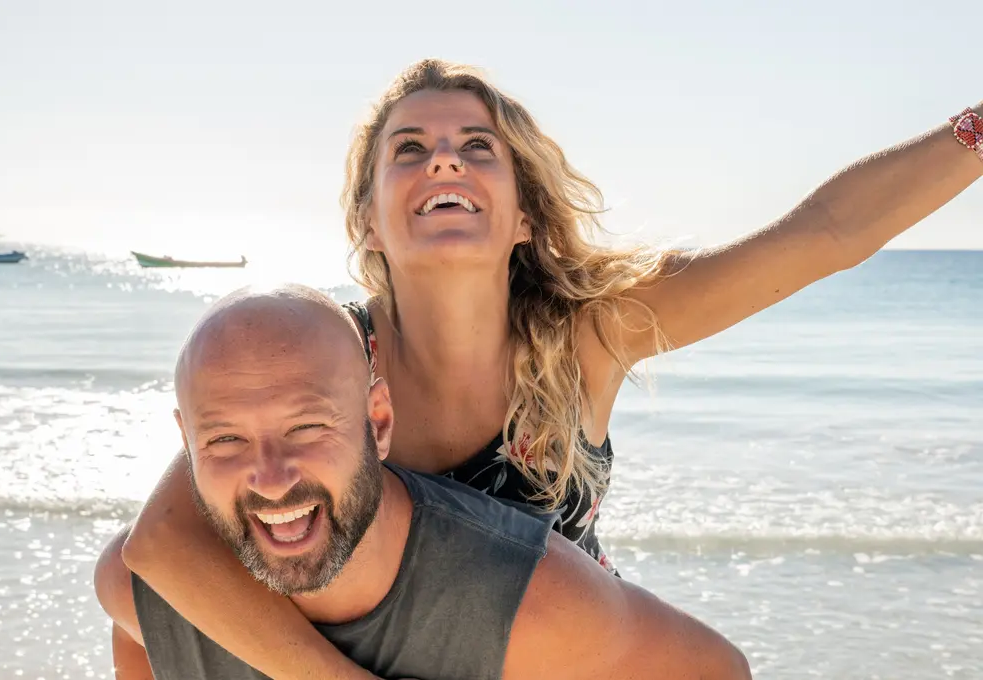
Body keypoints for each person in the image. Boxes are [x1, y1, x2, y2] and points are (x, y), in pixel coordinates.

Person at [109, 59, 983, 679]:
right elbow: (161, 542)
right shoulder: (326, 355)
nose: (442, 158)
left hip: (549, 654)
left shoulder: (591, 336)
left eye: (475, 146)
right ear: (368, 221)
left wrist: (975, 132)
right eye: (407, 149)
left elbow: (825, 234)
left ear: (523, 212)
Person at [94, 285, 751, 680]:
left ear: (378, 422)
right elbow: (134, 631)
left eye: (305, 429)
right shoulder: (143, 592)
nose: (269, 478)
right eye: (225, 439)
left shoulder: (519, 600)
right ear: (187, 444)